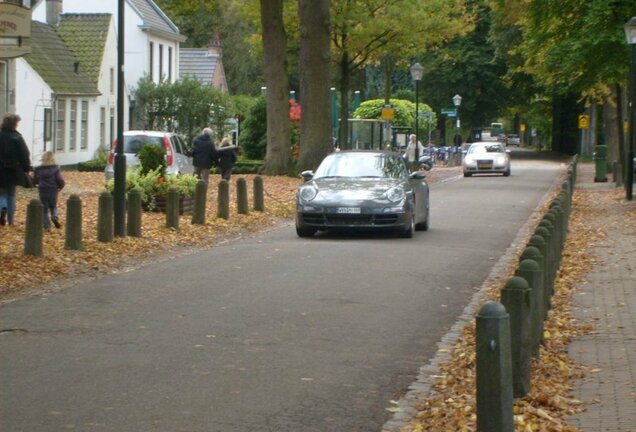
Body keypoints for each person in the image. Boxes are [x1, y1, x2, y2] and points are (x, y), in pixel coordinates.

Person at [0, 113, 32, 226]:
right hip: (13, 170)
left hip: (1, 170)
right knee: (11, 194)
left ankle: (2, 208)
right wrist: (26, 168)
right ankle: (11, 220)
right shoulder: (17, 137)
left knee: (2, 193)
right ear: (14, 124)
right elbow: (25, 154)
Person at [33, 151, 65, 229]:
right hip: (53, 190)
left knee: (44, 208)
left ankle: (47, 226)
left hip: (42, 190)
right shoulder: (55, 169)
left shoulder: (38, 169)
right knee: (53, 206)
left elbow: (35, 180)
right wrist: (61, 186)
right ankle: (54, 217)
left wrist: (36, 183)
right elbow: (60, 180)